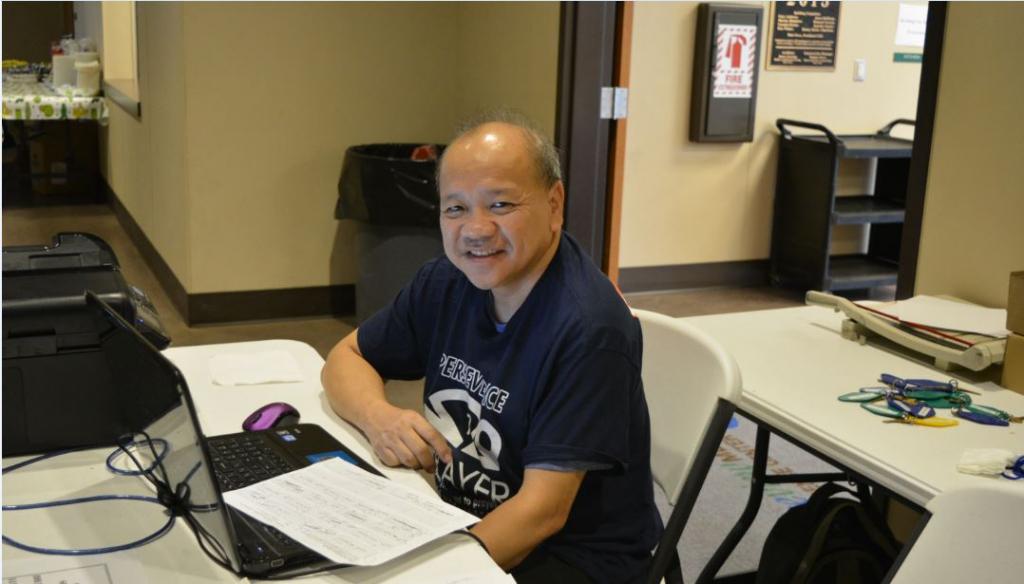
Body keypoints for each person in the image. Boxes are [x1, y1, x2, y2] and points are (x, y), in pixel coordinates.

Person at [322, 111, 661, 583]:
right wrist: (379, 417)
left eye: (500, 205)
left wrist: (440, 575)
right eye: (455, 209)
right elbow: (347, 357)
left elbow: (542, 513)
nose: (475, 229)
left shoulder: (588, 330)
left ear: (555, 204)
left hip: (569, 554)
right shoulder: (447, 280)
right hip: (461, 514)